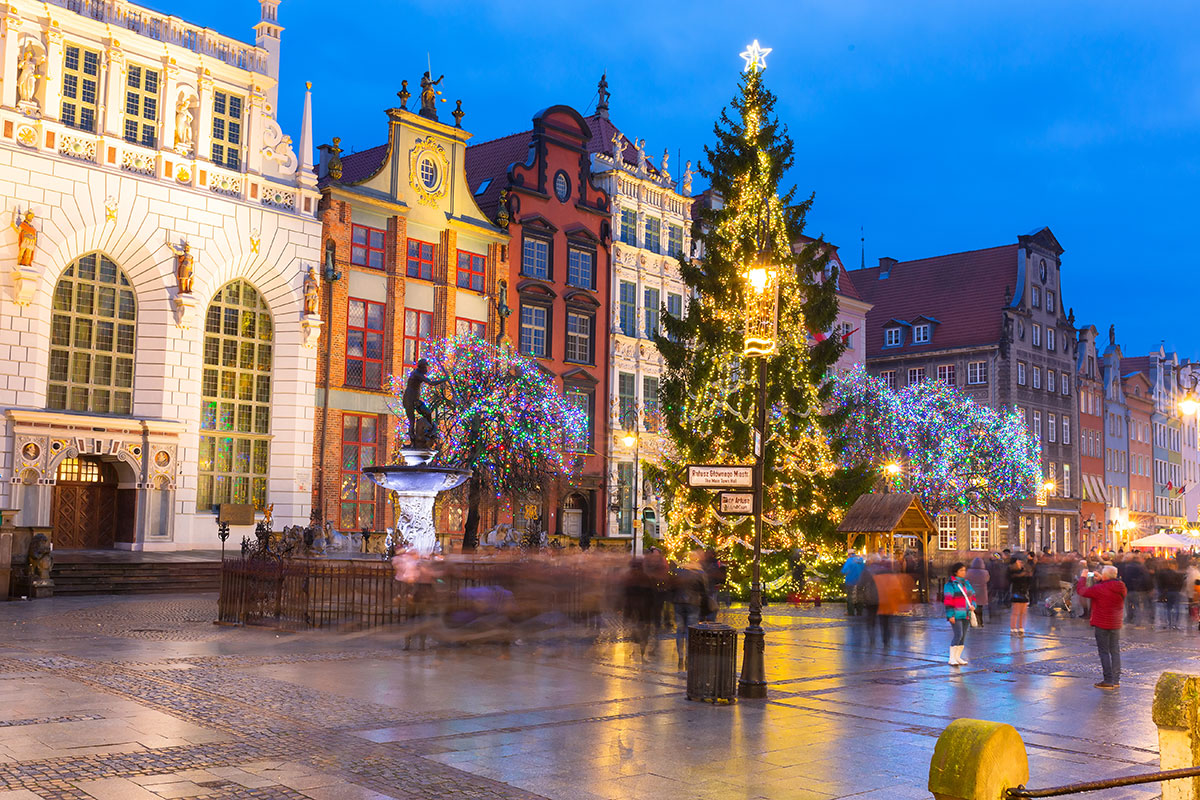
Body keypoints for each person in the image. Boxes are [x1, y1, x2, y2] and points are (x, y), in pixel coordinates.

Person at [1075, 564, 1127, 689]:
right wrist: (1102, 579)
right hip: (1115, 622)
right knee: (1115, 651)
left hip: (1102, 622)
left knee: (1104, 652)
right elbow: (1109, 586)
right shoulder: (1121, 586)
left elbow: (1082, 591)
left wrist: (1083, 577)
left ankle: (1108, 680)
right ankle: (1116, 680)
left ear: (1105, 576)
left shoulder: (1099, 589)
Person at [943, 563, 977, 666]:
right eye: (961, 570)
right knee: (958, 634)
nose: (964, 572)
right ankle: (952, 658)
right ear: (955, 572)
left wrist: (973, 605)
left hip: (966, 613)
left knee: (963, 636)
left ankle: (958, 657)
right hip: (956, 613)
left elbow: (973, 596)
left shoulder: (966, 583)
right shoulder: (950, 584)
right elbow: (948, 600)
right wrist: (950, 615)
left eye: (964, 570)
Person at [1009, 556, 1032, 635]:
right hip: (1016, 592)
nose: (1020, 563)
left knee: (1023, 612)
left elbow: (1029, 582)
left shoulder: (1025, 571)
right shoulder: (1013, 571)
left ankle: (1021, 627)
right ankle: (1013, 627)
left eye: (1021, 562)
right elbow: (1013, 579)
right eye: (1019, 562)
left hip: (1024, 592)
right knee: (1015, 612)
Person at [965, 557, 990, 626]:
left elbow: (966, 580)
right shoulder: (985, 572)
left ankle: (973, 622)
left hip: (971, 591)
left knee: (972, 606)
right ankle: (980, 622)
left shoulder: (969, 572)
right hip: (982, 591)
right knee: (980, 607)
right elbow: (987, 580)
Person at [841, 551, 865, 616]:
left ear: (849, 554)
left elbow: (844, 570)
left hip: (851, 581)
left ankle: (851, 612)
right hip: (860, 581)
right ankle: (859, 611)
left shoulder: (849, 560)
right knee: (859, 596)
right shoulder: (861, 560)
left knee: (850, 597)